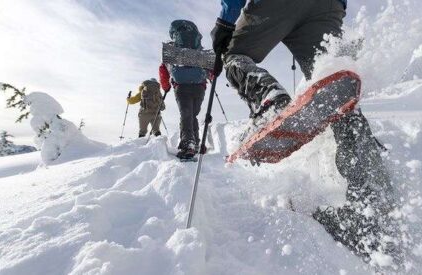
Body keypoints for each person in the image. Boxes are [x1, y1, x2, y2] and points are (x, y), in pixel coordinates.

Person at [211, 0, 400, 265]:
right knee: (335, 88)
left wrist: (224, 23)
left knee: (234, 56)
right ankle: (371, 207)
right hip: (328, 5)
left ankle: (269, 101)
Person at [160, 20, 209, 159]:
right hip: (199, 86)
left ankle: (188, 144)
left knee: (186, 114)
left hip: (181, 86)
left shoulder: (172, 49)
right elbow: (209, 67)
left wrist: (166, 86)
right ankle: (197, 143)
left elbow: (163, 68)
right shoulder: (197, 49)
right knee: (192, 114)